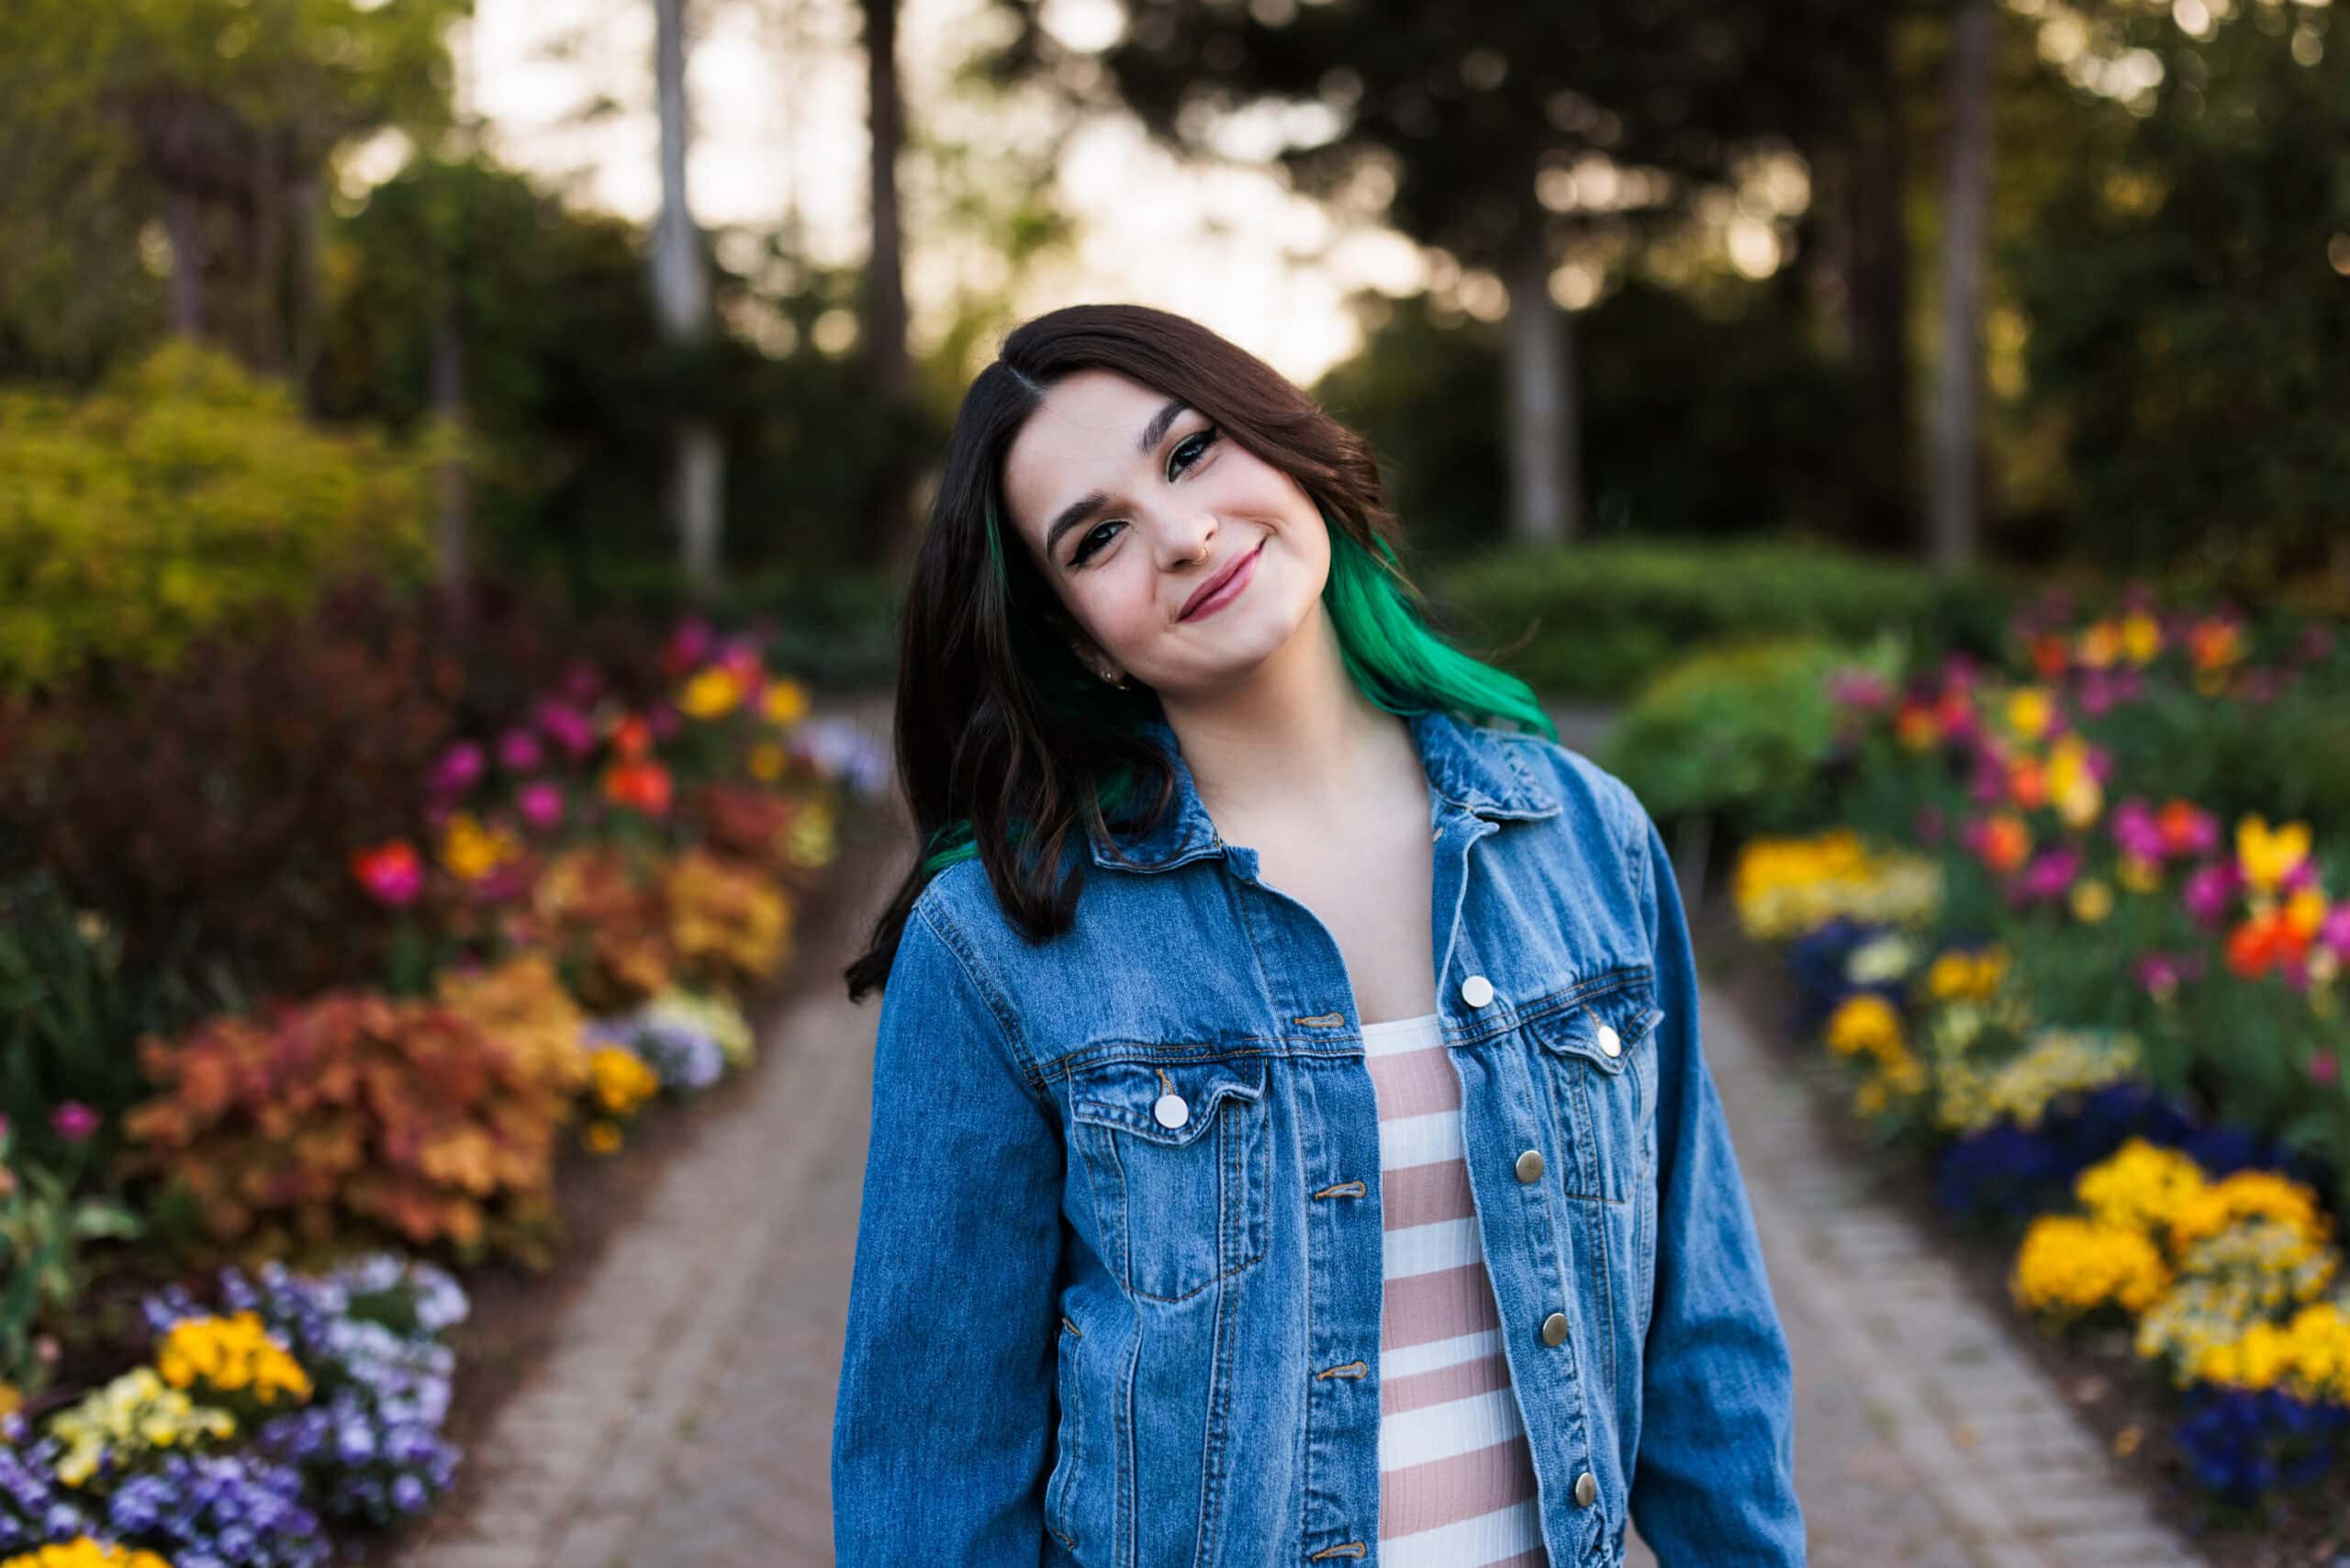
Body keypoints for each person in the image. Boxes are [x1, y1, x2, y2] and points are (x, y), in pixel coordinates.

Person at [830, 301, 1805, 1566]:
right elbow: (932, 1465)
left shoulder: (1585, 839)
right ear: (1080, 639)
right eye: (1099, 537)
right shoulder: (998, 943)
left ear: (1286, 447)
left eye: (1190, 452)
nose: (1182, 535)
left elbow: (1706, 1343)